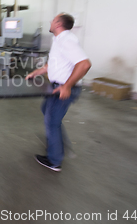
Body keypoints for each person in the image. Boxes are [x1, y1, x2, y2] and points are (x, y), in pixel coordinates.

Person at [26, 13, 91, 172]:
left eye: (53, 20)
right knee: (46, 111)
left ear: (58, 24)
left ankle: (54, 161)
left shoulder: (67, 41)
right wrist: (37, 72)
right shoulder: (58, 40)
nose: (50, 21)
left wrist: (67, 86)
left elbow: (84, 64)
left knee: (52, 122)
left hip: (63, 89)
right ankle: (58, 144)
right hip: (55, 86)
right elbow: (53, 64)